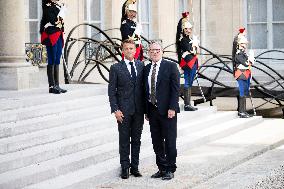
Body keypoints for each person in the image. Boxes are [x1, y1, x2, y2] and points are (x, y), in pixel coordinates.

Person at [108, 39, 145, 179]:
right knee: (124, 140)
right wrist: (115, 109)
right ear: (122, 51)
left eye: (131, 48)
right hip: (123, 110)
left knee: (136, 139)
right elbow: (112, 91)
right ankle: (125, 167)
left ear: (135, 50)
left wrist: (146, 110)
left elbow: (144, 89)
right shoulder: (116, 68)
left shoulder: (141, 65)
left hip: (139, 110)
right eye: (126, 48)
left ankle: (135, 167)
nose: (129, 50)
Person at [144, 41, 180, 180]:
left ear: (162, 51)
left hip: (167, 111)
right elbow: (145, 90)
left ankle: (170, 168)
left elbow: (175, 89)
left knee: (170, 140)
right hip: (152, 111)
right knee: (157, 141)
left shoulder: (171, 66)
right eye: (152, 50)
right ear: (148, 52)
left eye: (157, 50)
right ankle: (161, 168)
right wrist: (146, 111)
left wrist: (172, 107)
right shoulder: (147, 69)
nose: (154, 52)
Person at [40, 0, 67, 94]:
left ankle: (57, 85)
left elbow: (61, 22)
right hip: (51, 34)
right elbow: (54, 20)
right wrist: (62, 13)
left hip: (58, 34)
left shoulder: (57, 5)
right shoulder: (47, 4)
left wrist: (62, 9)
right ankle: (51, 86)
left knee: (57, 59)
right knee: (52, 58)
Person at [179, 21, 199, 111]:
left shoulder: (190, 39)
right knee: (187, 82)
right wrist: (193, 47)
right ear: (184, 29)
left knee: (190, 82)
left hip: (193, 61)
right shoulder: (183, 39)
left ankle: (188, 104)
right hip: (188, 62)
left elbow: (195, 50)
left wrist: (195, 45)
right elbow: (190, 50)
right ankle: (187, 105)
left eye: (190, 29)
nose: (188, 30)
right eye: (186, 29)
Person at [233, 35, 254, 118]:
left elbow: (249, 63)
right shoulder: (238, 54)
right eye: (243, 44)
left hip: (246, 74)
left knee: (245, 91)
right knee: (242, 91)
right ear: (240, 44)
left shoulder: (244, 53)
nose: (245, 45)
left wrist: (250, 59)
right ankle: (241, 112)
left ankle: (244, 111)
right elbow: (246, 63)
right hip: (241, 74)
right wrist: (250, 59)